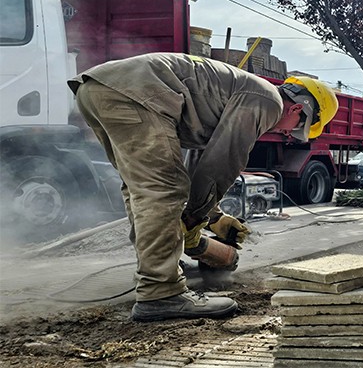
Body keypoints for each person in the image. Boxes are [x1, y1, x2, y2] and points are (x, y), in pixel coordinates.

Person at [67, 53, 338, 321]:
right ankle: (160, 292)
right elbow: (224, 160)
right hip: (135, 94)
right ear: (298, 109)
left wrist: (213, 216)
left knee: (144, 189)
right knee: (163, 190)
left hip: (100, 89)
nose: (288, 134)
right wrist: (195, 216)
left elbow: (203, 157)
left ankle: (161, 267)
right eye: (296, 129)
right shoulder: (268, 102)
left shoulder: (244, 90)